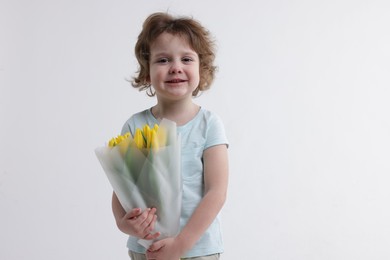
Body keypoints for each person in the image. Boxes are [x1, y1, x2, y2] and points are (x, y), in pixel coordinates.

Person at [111, 12, 229, 260]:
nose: (176, 67)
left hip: (198, 250)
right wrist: (125, 225)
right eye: (163, 60)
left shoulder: (209, 125)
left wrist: (180, 245)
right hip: (147, 250)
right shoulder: (135, 125)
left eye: (186, 59)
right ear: (147, 72)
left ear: (201, 68)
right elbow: (121, 190)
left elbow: (216, 192)